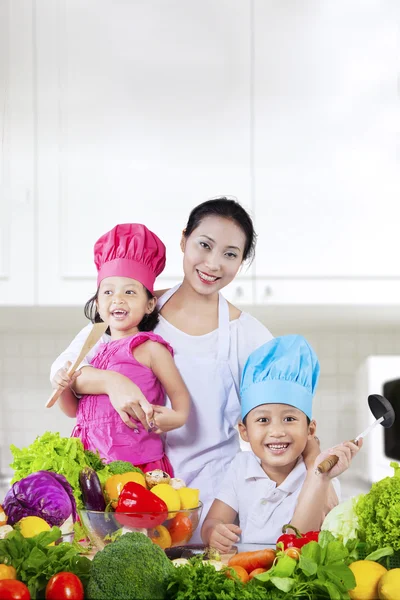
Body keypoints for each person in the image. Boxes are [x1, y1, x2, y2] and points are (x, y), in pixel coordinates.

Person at [50, 198, 321, 540]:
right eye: (204, 245)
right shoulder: (131, 306)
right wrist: (111, 381)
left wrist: (318, 472)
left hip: (209, 508)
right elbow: (65, 369)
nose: (213, 263)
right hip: (125, 496)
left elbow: (288, 416)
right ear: (183, 240)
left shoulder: (247, 335)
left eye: (230, 254)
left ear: (241, 263)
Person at [201, 335, 362, 551]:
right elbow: (213, 521)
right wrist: (213, 532)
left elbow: (298, 541)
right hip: (247, 573)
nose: (277, 431)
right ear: (244, 431)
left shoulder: (323, 476)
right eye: (263, 420)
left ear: (310, 430)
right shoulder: (241, 467)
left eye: (289, 419)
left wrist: (319, 476)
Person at [55, 223, 190, 474]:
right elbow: (74, 411)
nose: (118, 299)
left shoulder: (150, 348)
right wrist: (63, 387)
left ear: (149, 305)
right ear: (98, 303)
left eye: (129, 292)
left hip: (139, 466)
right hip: (92, 467)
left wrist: (179, 417)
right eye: (108, 292)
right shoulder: (93, 353)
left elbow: (179, 395)